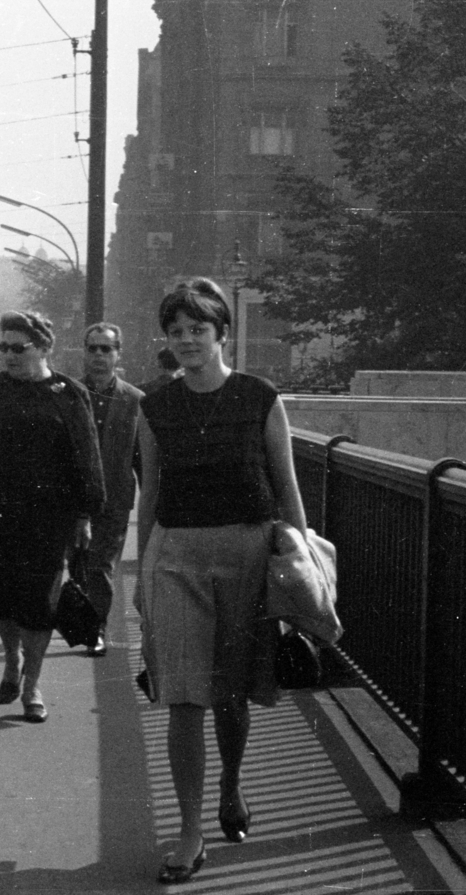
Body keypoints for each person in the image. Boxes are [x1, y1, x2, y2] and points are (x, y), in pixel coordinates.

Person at [135, 277, 307, 884]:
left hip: (248, 554)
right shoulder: (153, 407)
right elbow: (149, 495)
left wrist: (302, 563)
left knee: (232, 694)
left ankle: (231, 787)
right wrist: (141, 573)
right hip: (176, 556)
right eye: (176, 332)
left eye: (197, 331)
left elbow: (286, 486)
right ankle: (189, 832)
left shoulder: (260, 396)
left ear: (220, 334)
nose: (185, 341)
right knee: (183, 697)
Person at [0, 311, 106, 723]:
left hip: (49, 517)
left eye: (17, 348)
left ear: (42, 348)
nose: (8, 355)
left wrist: (84, 516)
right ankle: (11, 658)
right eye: (3, 347)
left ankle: (33, 684)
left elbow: (87, 459)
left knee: (40, 603)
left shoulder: (70, 393)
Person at [78, 321, 144, 658]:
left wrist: (154, 501)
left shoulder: (135, 400)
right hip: (74, 500)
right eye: (93, 348)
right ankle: (80, 622)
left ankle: (95, 629)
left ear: (118, 353)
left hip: (114, 499)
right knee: (77, 563)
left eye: (107, 348)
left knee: (100, 563)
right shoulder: (69, 393)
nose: (99, 355)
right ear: (84, 352)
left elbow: (143, 457)